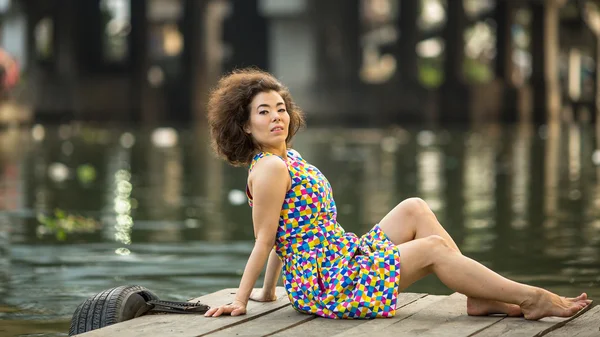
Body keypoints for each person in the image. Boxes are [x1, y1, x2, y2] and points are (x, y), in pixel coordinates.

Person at [204, 68, 591, 320]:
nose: (277, 117)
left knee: (414, 208)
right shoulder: (270, 167)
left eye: (280, 108)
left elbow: (286, 233)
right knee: (434, 248)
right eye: (263, 112)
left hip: (340, 258)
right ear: (245, 126)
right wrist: (241, 299)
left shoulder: (289, 158)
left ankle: (480, 296)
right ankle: (529, 297)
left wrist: (270, 293)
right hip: (331, 283)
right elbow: (266, 238)